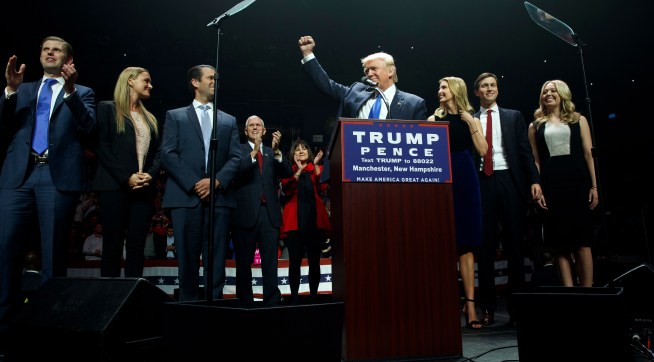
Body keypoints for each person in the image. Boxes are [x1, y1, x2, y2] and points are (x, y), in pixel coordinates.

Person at [0, 36, 96, 326]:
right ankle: (4, 323)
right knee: (5, 250)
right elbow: (4, 125)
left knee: (52, 254)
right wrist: (9, 92)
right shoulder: (23, 89)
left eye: (56, 50)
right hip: (18, 175)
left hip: (56, 178)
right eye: (45, 49)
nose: (49, 53)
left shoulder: (82, 91)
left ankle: (47, 326)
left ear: (68, 60)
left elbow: (90, 128)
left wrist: (70, 92)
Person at [161, 65, 242, 301]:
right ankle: (188, 308)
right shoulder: (175, 115)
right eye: (211, 77)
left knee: (216, 258)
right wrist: (197, 183)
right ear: (195, 83)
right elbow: (168, 153)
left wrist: (216, 181)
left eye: (217, 77)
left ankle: (214, 308)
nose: (216, 81)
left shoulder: (228, 120)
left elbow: (236, 156)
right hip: (186, 197)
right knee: (186, 257)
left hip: (219, 198)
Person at [297, 35, 428, 181]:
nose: (369, 74)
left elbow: (419, 147)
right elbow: (328, 85)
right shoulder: (355, 91)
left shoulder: (414, 103)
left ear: (390, 71)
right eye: (366, 71)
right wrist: (308, 54)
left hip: (395, 173)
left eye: (373, 69)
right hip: (355, 168)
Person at [472, 72, 542, 326]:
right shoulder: (471, 118)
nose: (489, 89)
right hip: (483, 182)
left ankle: (518, 309)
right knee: (486, 249)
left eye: (493, 85)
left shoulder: (513, 116)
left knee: (514, 247)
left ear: (497, 90)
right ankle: (487, 309)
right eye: (484, 86)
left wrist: (535, 180)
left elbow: (525, 151)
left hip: (510, 182)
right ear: (477, 92)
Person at [427, 77, 487, 329]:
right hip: (441, 178)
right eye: (438, 87)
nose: (439, 91)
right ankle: (444, 304)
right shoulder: (433, 120)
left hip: (466, 177)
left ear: (456, 90)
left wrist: (472, 124)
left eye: (443, 87)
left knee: (466, 244)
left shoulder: (470, 117)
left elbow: (483, 151)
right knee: (443, 242)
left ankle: (470, 306)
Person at [528, 79, 598, 287]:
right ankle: (569, 293)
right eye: (544, 91)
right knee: (559, 243)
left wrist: (594, 186)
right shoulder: (536, 125)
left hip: (577, 183)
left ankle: (588, 291)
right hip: (551, 185)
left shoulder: (579, 119)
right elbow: (536, 160)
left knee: (582, 242)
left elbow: (588, 153)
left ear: (562, 94)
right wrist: (537, 186)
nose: (548, 94)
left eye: (553, 91)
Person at [93, 66, 161, 277]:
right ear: (130, 81)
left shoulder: (150, 117)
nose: (151, 85)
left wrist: (151, 173)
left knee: (136, 247)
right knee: (112, 246)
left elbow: (158, 153)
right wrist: (126, 177)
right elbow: (101, 147)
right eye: (146, 80)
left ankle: (133, 298)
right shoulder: (107, 108)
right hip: (114, 186)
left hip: (144, 188)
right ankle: (109, 300)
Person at [231, 115, 293, 308]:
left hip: (269, 216)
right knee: (243, 263)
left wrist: (276, 151)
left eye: (259, 125)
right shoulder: (237, 151)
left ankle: (271, 303)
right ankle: (245, 303)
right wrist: (254, 150)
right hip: (245, 215)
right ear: (246, 130)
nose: (255, 128)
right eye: (251, 125)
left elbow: (287, 173)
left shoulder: (270, 153)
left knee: (270, 262)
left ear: (265, 131)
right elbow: (236, 172)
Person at [280, 139, 331, 304]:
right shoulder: (288, 170)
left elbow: (323, 188)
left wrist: (314, 167)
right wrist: (298, 172)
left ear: (309, 153)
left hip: (314, 221)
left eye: (304, 149)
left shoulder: (317, 169)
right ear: (292, 154)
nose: (301, 151)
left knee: (314, 261)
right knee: (294, 261)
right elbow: (286, 190)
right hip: (294, 222)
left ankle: (314, 297)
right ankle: (294, 298)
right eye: (297, 149)